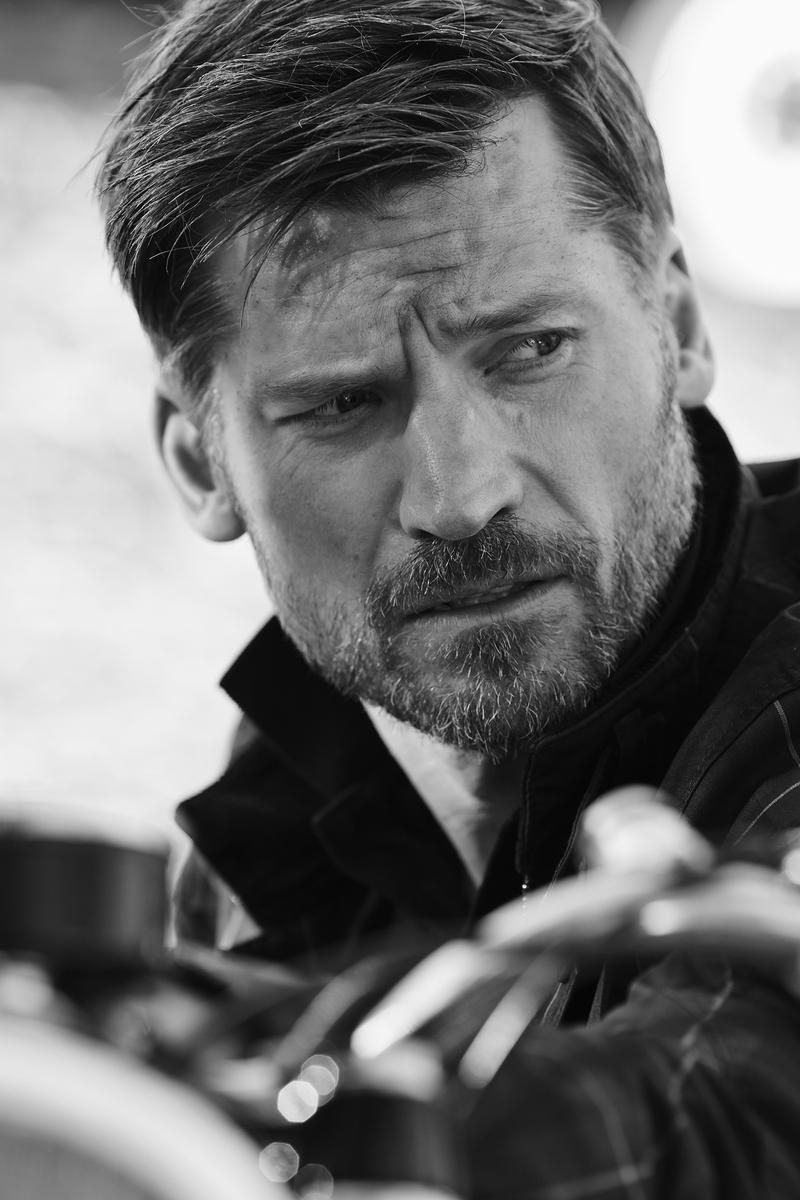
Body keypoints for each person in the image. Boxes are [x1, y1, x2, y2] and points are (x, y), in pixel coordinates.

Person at [97, 0, 800, 1193]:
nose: (460, 495)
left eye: (530, 349)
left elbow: (733, 1104)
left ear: (674, 325)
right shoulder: (281, 804)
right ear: (200, 461)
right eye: (340, 403)